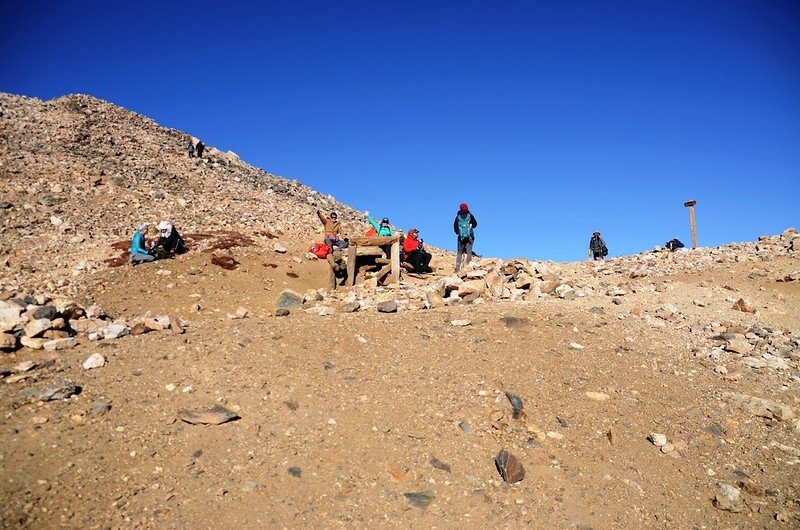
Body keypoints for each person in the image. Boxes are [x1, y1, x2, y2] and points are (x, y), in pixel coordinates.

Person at [453, 203, 478, 272]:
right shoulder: (470, 216)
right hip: (470, 237)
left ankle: (457, 269)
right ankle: (468, 268)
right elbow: (475, 224)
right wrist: (470, 228)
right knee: (469, 252)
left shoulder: (458, 217)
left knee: (459, 253)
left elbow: (455, 227)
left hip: (460, 238)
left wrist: (459, 233)